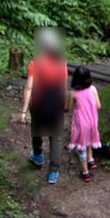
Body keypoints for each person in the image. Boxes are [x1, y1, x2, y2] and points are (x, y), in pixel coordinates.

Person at [19, 29, 68, 184]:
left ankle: (38, 156)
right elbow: (63, 86)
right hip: (56, 103)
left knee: (37, 130)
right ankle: (53, 172)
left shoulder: (36, 63)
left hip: (38, 103)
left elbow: (28, 87)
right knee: (55, 138)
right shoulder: (62, 63)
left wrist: (23, 111)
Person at [68, 65, 101, 183]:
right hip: (92, 121)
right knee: (90, 139)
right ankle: (91, 160)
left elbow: (68, 108)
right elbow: (98, 106)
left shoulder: (73, 93)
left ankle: (85, 173)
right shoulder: (93, 89)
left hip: (81, 124)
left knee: (81, 147)